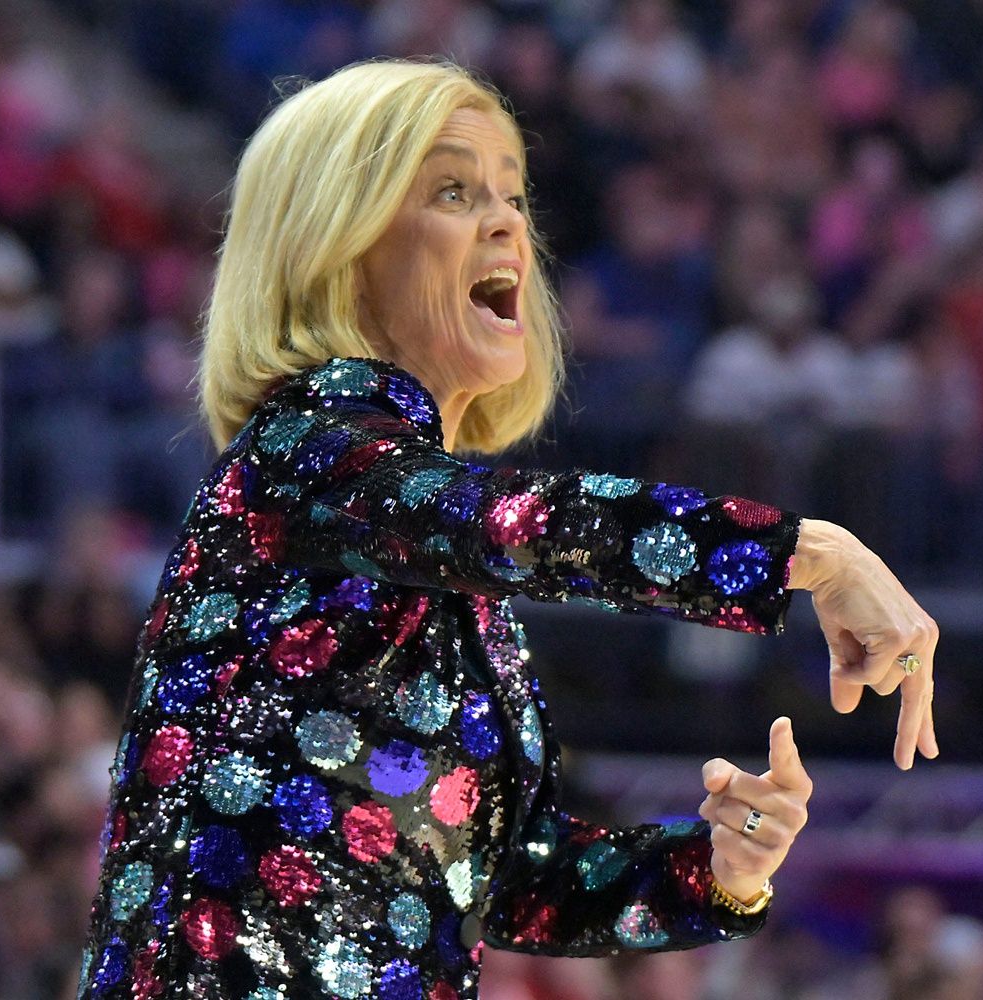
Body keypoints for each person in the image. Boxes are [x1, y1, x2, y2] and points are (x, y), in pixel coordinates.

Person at [76, 57, 939, 999]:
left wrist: (717, 869)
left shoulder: (426, 551)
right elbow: (515, 525)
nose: (507, 223)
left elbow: (511, 882)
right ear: (336, 244)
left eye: (513, 195)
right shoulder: (307, 449)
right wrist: (806, 555)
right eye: (452, 190)